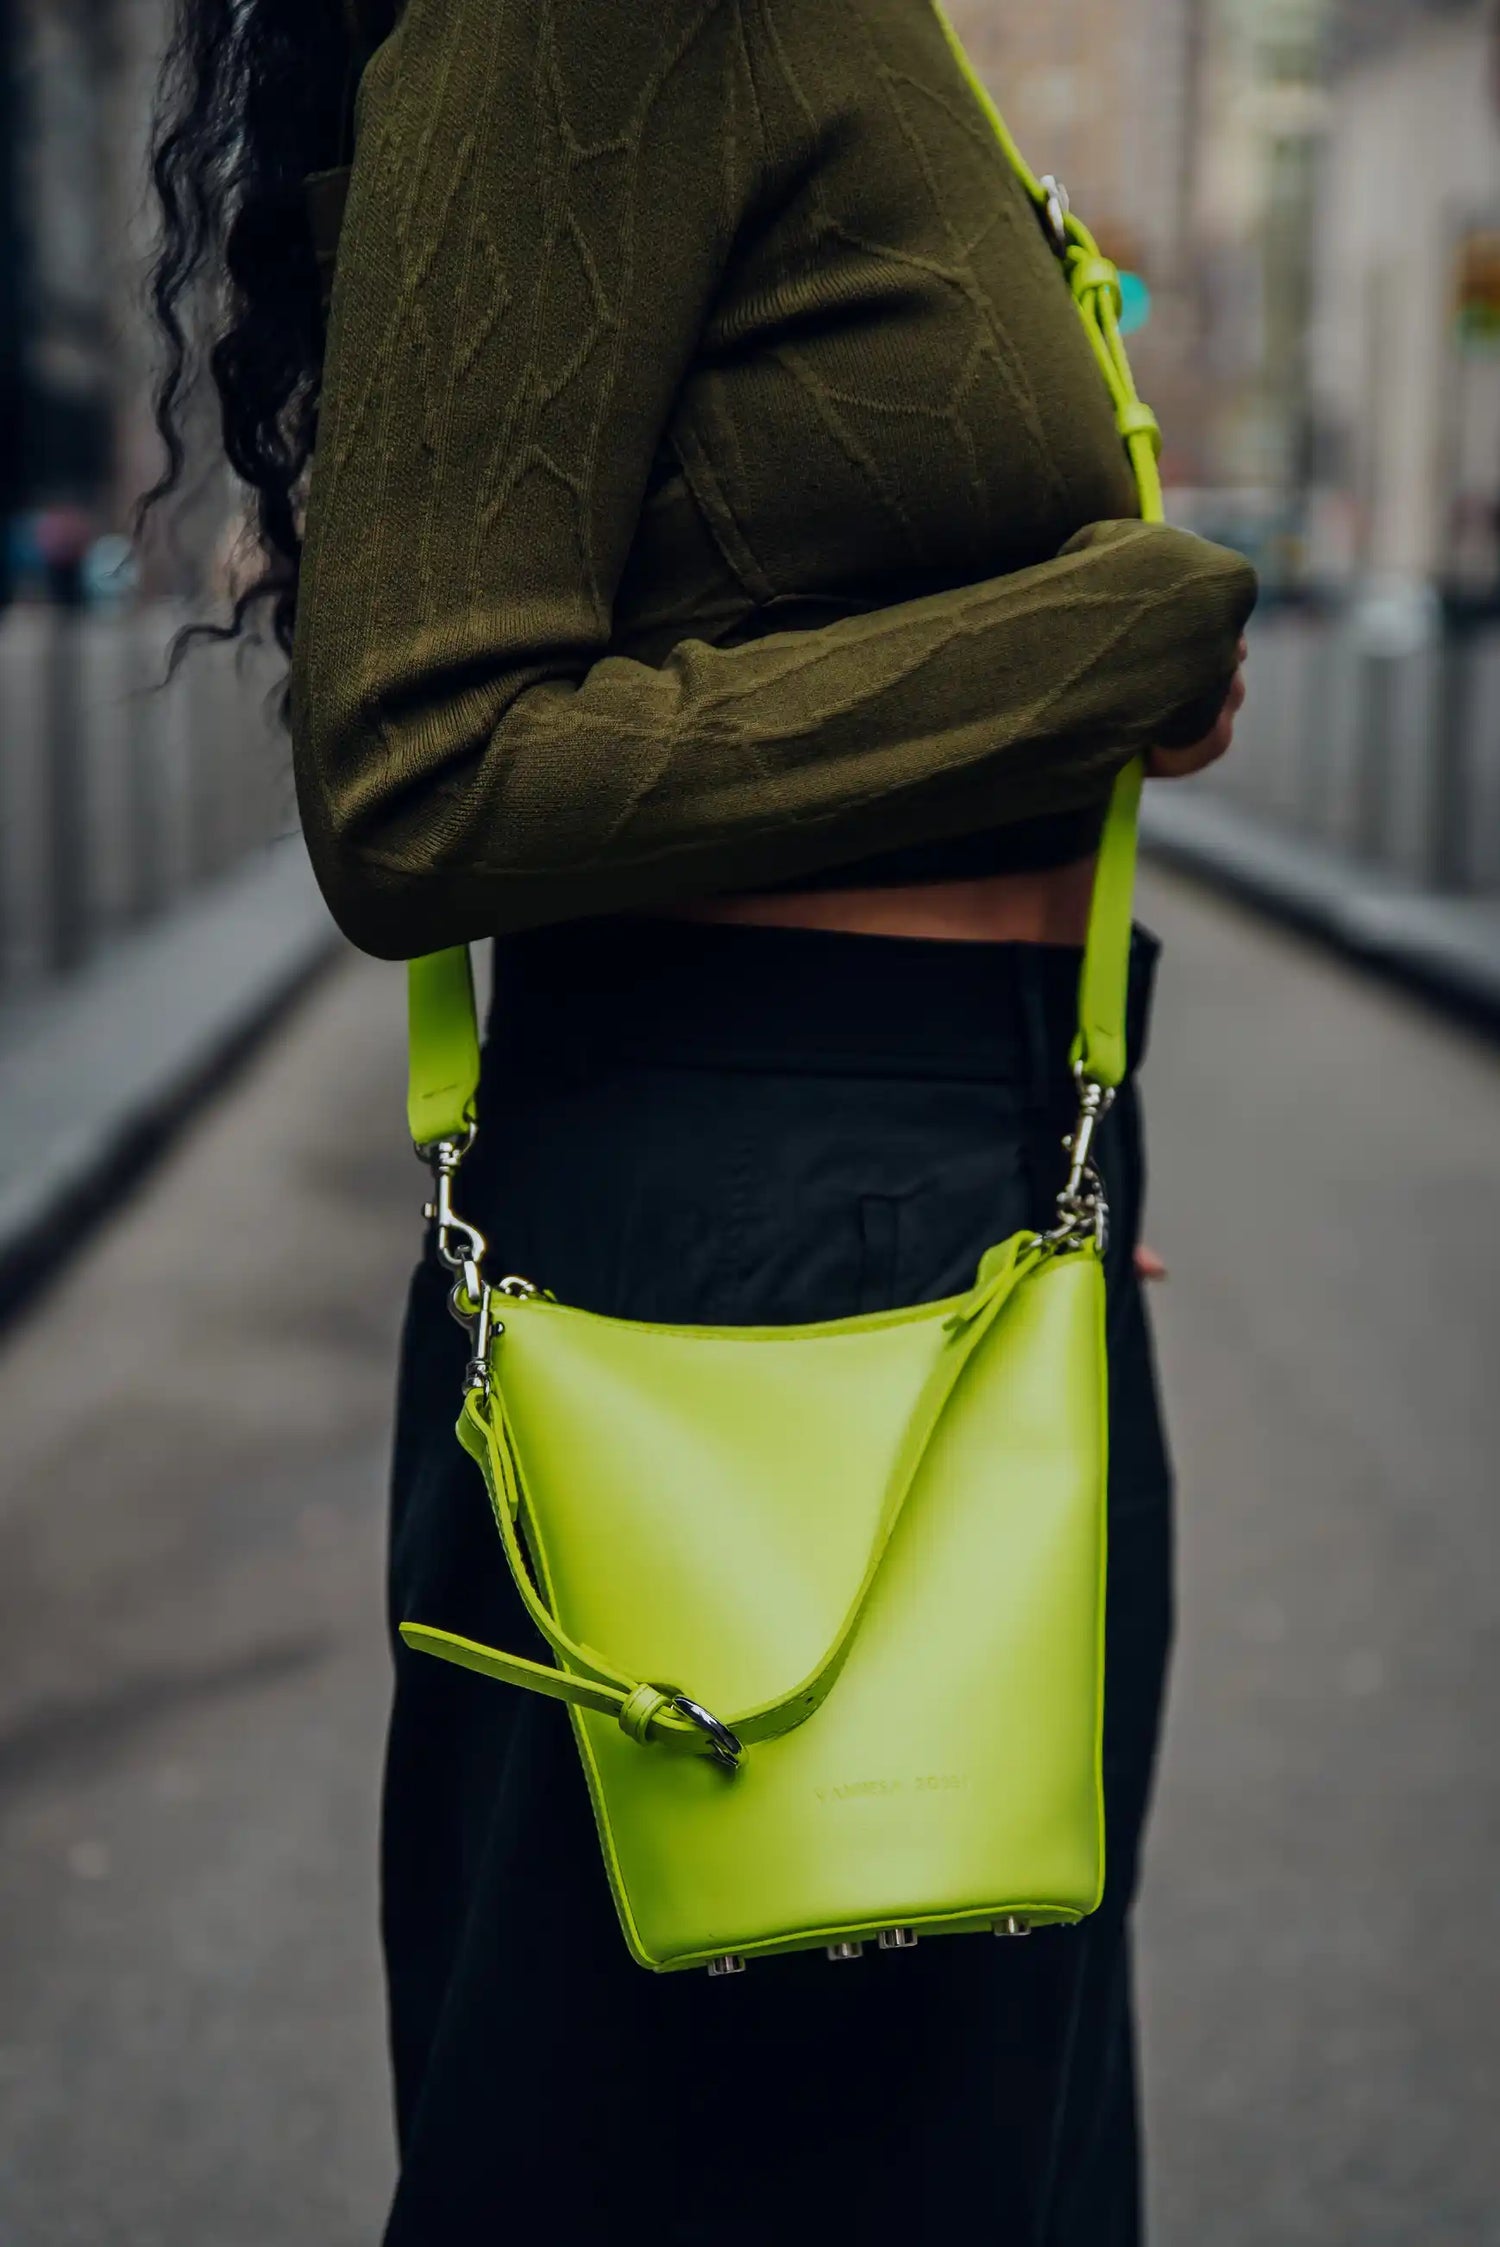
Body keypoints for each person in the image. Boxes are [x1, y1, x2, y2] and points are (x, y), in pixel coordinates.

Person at [141, 1, 1256, 2238]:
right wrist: (1105, 642)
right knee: (715, 2155)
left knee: (956, 2154)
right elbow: (422, 763)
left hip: (960, 1177)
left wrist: (1012, 1111)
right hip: (751, 1242)